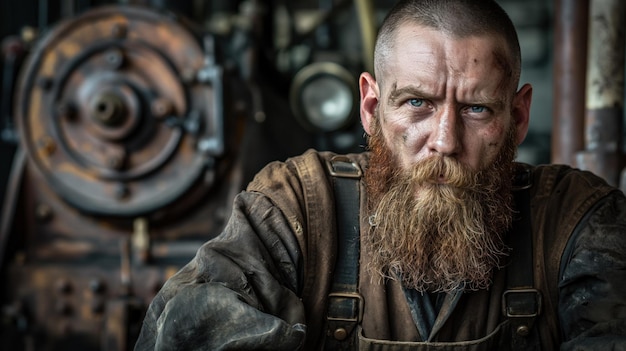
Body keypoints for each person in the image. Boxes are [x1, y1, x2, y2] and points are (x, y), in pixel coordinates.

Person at [134, 0, 626, 350]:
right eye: (417, 103)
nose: (445, 140)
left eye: (477, 109)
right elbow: (184, 326)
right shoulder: (298, 207)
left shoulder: (577, 221)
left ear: (517, 117)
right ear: (371, 108)